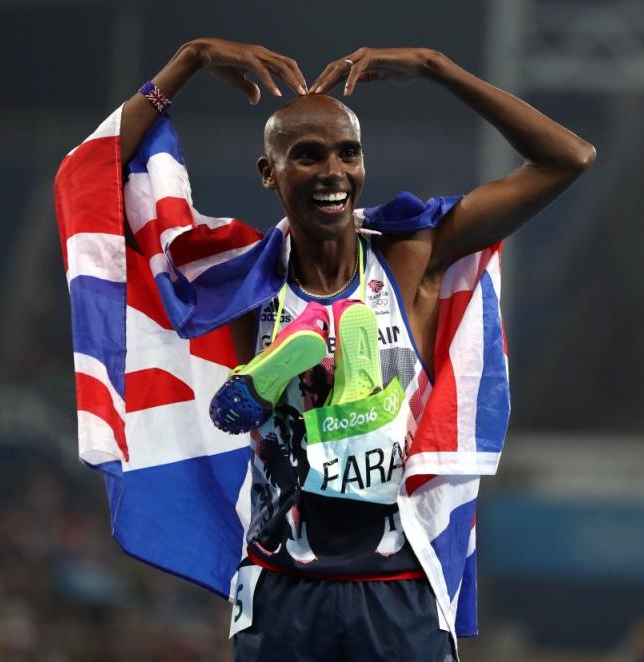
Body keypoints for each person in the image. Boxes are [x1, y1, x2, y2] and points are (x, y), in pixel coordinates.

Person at [117, 37, 595, 662]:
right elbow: (102, 178)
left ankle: (339, 386)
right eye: (307, 156)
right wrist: (190, 60)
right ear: (271, 172)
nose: (332, 173)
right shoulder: (243, 280)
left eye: (348, 153)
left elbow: (568, 159)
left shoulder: (410, 259)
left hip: (398, 587)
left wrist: (437, 67)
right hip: (283, 585)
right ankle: (277, 386)